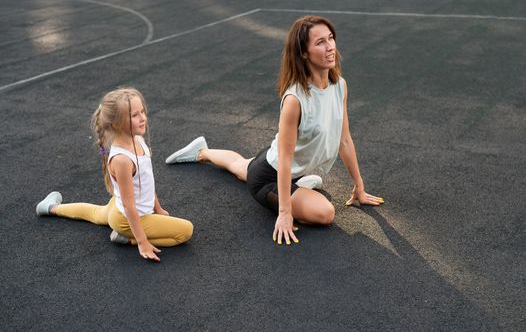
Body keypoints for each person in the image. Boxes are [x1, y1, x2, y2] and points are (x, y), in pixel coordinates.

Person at [166, 15, 383, 246]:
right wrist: (285, 212)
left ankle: (203, 152)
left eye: (331, 38)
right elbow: (285, 159)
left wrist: (359, 186)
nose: (330, 46)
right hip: (269, 177)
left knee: (239, 166)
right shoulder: (295, 99)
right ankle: (291, 189)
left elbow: (345, 140)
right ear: (303, 52)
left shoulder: (339, 85)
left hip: (277, 163)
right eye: (320, 42)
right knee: (325, 213)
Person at [36, 88, 193, 262]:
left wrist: (158, 208)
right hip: (127, 218)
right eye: (135, 115)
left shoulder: (138, 139)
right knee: (185, 231)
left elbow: (147, 181)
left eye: (142, 112)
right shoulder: (122, 160)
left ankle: (50, 208)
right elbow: (129, 206)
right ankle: (126, 238)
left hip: (116, 209)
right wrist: (141, 241)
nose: (143, 118)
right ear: (117, 123)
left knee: (93, 213)